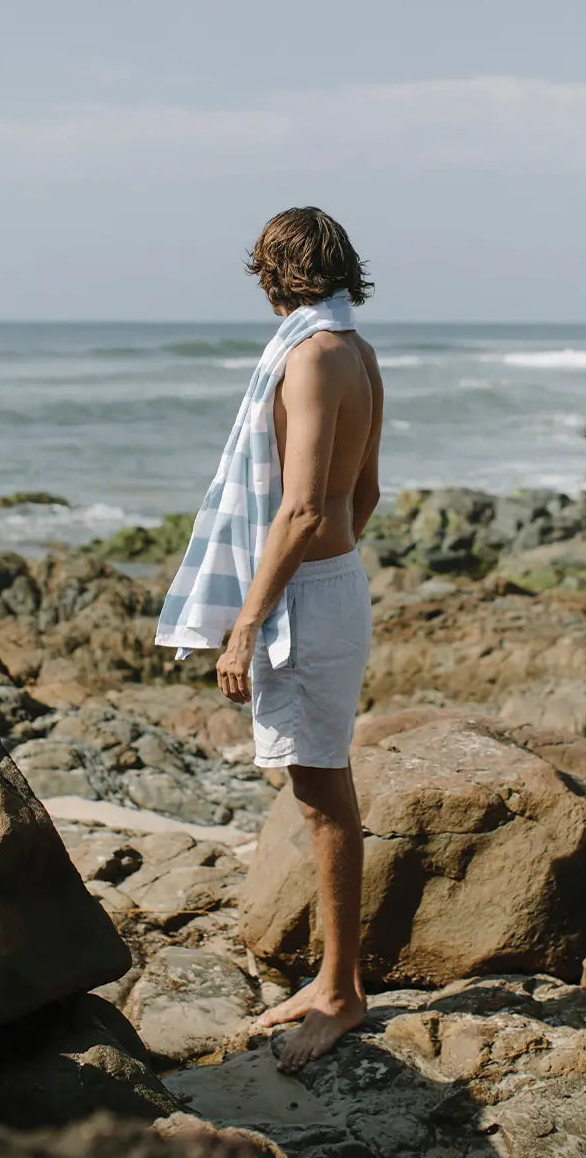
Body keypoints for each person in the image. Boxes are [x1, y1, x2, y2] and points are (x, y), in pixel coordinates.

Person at [213, 208, 383, 1071]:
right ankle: (333, 979)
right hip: (334, 584)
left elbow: (310, 504)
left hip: (314, 599)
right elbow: (368, 494)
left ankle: (341, 991)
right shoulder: (356, 351)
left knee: (321, 794)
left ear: (276, 271)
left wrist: (249, 622)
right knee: (318, 784)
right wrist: (328, 570)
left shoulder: (314, 357)